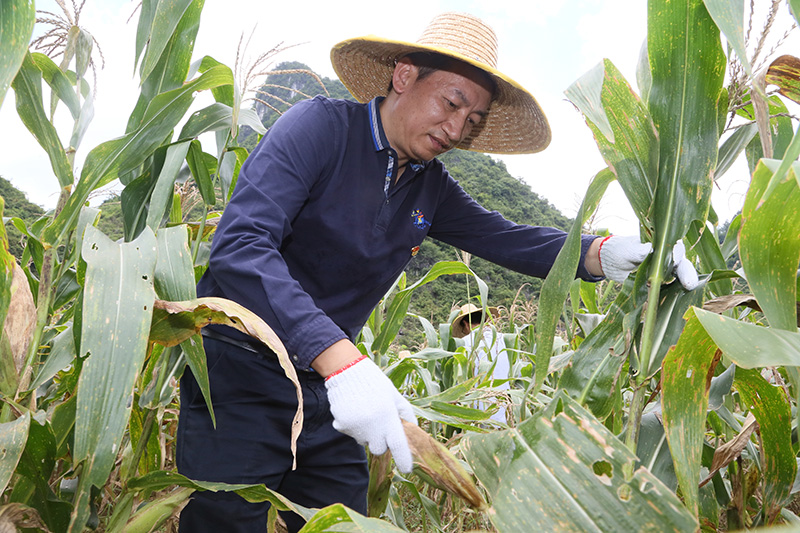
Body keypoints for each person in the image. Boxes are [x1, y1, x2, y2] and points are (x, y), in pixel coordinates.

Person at [176, 12, 699, 532]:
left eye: (472, 121)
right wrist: (343, 362)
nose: (456, 129)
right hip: (240, 370)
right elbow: (241, 247)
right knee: (229, 519)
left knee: (340, 522)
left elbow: (511, 238)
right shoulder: (318, 129)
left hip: (328, 393)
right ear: (404, 76)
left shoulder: (431, 187)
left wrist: (605, 253)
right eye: (451, 103)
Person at [451, 304, 510, 424]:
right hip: (505, 409)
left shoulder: (465, 343)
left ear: (466, 324)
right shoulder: (504, 340)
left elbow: (460, 381)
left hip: (479, 412)